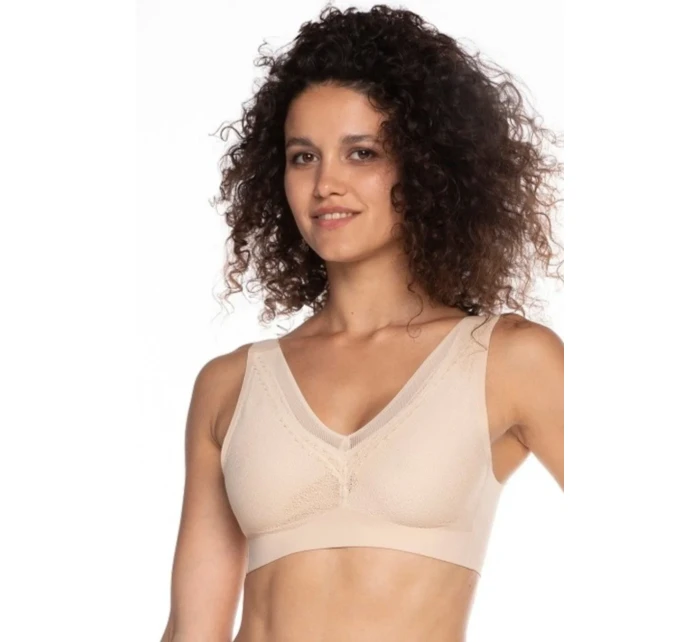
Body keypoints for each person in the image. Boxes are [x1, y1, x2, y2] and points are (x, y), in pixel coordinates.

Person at [160, 4, 564, 641]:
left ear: (426, 167)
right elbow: (192, 630)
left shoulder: (509, 361)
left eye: (362, 153)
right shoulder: (230, 385)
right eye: (303, 157)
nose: (326, 184)